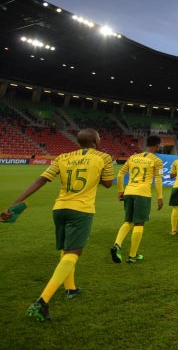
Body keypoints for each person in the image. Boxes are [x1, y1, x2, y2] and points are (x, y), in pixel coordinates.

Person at [1, 129, 114, 322]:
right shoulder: (104, 157)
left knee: (67, 249)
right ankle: (42, 302)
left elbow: (41, 180)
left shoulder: (63, 157)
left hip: (60, 208)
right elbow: (108, 183)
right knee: (73, 253)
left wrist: (13, 204)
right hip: (81, 209)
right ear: (96, 140)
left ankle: (71, 288)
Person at [111, 135, 163, 264]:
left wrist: (121, 191)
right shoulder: (156, 160)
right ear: (156, 145)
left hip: (129, 191)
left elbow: (120, 174)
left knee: (128, 220)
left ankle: (117, 245)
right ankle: (132, 255)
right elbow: (157, 179)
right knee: (139, 223)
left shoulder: (132, 157)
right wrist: (160, 197)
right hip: (142, 193)